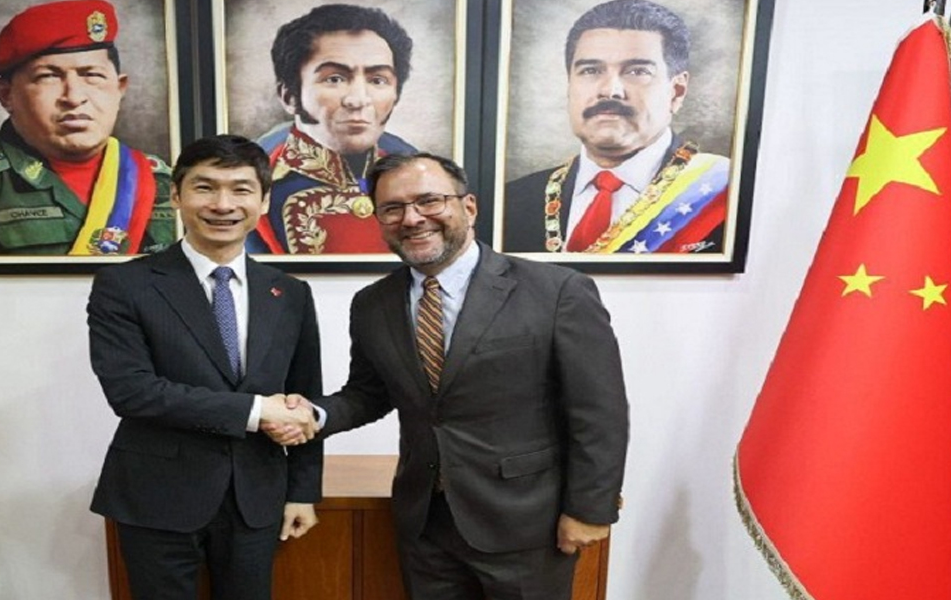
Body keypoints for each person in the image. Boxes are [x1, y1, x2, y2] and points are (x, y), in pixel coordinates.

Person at [276, 152, 629, 599]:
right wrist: (314, 414)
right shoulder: (372, 303)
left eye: (429, 201)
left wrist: (591, 509)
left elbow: (599, 411)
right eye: (393, 208)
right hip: (425, 524)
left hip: (527, 525)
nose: (412, 219)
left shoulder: (557, 291)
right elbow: (368, 393)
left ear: (469, 207)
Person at [87, 134, 322, 600]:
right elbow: (132, 391)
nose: (223, 204)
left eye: (240, 189)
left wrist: (303, 490)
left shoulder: (290, 292)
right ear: (176, 195)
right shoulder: (125, 284)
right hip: (157, 495)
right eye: (205, 187)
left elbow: (304, 399)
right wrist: (257, 411)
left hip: (256, 495)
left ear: (263, 200)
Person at [0, 0, 176, 256]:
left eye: (92, 75)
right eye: (48, 76)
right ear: (5, 94)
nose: (74, 97)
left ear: (119, 88)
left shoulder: (165, 181)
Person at [504, 0, 728, 254]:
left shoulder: (723, 196)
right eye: (590, 70)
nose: (610, 91)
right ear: (570, 85)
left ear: (676, 92)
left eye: (637, 71)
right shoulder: (513, 201)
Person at [246, 3, 417, 255]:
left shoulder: (414, 169)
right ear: (289, 96)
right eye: (335, 79)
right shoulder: (257, 177)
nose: (358, 99)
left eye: (377, 80)